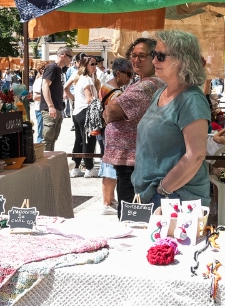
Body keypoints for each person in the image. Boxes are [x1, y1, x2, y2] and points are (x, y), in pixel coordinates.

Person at [132, 30, 212, 210]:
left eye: (160, 56)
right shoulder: (161, 92)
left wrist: (163, 189)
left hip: (175, 197)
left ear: (182, 60)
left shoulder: (191, 99)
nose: (154, 61)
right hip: (153, 194)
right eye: (154, 55)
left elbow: (196, 155)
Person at [104, 38, 164, 214]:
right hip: (130, 157)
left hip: (133, 159)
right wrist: (108, 111)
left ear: (154, 58)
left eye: (142, 56)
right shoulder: (140, 82)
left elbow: (112, 110)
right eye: (134, 56)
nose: (136, 60)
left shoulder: (148, 85)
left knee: (131, 211)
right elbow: (108, 111)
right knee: (130, 206)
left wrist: (108, 112)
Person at [96, 57, 134, 215]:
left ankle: (109, 200)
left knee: (109, 168)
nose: (131, 78)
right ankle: (110, 202)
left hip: (107, 130)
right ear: (118, 73)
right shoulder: (116, 93)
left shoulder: (105, 86)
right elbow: (119, 114)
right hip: (115, 134)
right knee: (115, 171)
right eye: (129, 74)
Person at [65, 56, 101, 177]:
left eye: (96, 64)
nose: (95, 66)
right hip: (86, 112)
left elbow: (65, 87)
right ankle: (89, 168)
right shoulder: (87, 79)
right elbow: (89, 98)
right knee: (88, 141)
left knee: (79, 141)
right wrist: (99, 104)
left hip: (77, 112)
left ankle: (75, 167)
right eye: (92, 64)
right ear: (85, 65)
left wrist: (74, 99)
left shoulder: (78, 77)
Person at [40, 47, 73, 151]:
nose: (71, 60)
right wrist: (50, 106)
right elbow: (45, 86)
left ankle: (50, 163)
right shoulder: (52, 68)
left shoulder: (59, 70)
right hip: (50, 108)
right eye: (70, 57)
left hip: (57, 108)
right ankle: (45, 165)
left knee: (53, 138)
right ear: (63, 55)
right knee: (47, 139)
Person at [31, 63, 48, 143]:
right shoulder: (39, 81)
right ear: (42, 70)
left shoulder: (45, 80)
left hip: (45, 109)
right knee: (42, 133)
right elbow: (35, 97)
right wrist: (49, 96)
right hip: (40, 110)